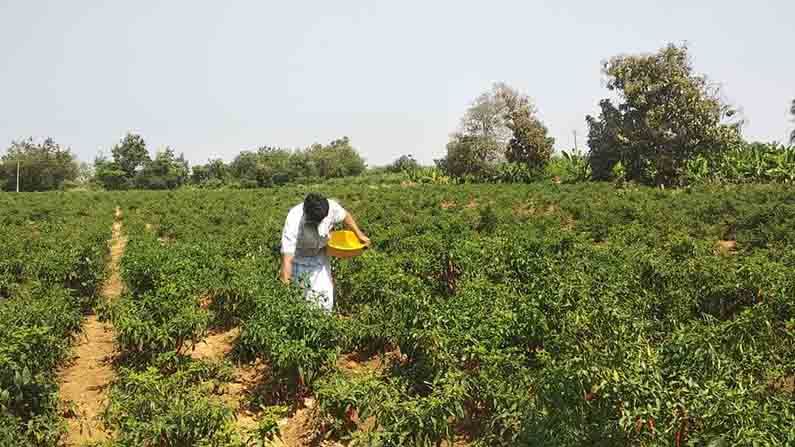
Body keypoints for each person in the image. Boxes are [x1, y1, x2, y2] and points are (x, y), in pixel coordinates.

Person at [279, 193, 370, 311]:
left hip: (321, 257)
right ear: (306, 214)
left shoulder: (330, 207)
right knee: (303, 303)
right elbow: (287, 260)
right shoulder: (294, 220)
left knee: (325, 299)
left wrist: (359, 234)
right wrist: (284, 294)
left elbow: (345, 216)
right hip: (300, 261)